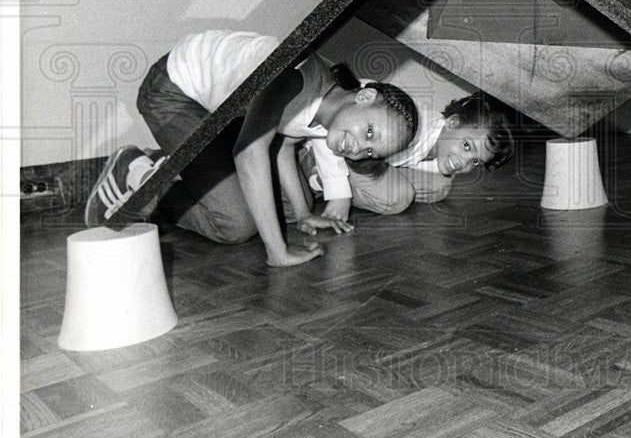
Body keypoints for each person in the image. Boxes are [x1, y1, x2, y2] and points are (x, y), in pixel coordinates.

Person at [83, 29, 417, 267]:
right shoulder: (293, 77)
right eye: (370, 131)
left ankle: (173, 164)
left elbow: (283, 147)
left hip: (219, 114)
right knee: (237, 226)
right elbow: (250, 153)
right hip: (172, 94)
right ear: (364, 96)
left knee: (282, 207)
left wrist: (303, 215)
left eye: (371, 152)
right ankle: (141, 171)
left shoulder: (328, 113)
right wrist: (278, 253)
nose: (359, 149)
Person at [299, 91, 514, 217]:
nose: (464, 163)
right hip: (343, 155)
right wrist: (339, 191)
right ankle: (318, 176)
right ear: (453, 122)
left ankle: (368, 185)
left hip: (378, 163)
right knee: (399, 198)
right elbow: (342, 130)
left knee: (440, 187)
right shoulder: (413, 133)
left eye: (475, 161)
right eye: (467, 147)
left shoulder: (440, 146)